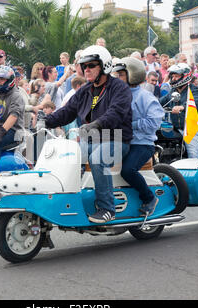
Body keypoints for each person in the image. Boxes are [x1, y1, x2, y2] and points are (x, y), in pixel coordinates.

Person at [43, 45, 133, 224]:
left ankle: (107, 208)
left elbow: (115, 113)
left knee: (98, 158)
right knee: (68, 156)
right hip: (91, 138)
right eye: (84, 66)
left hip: (116, 138)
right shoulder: (85, 90)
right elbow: (67, 111)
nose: (87, 69)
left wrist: (96, 124)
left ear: (104, 66)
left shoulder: (119, 88)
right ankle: (71, 200)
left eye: (91, 65)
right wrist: (45, 121)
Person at [113, 57, 164, 216]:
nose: (117, 78)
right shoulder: (118, 95)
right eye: (117, 74)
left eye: (121, 74)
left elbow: (154, 122)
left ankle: (149, 198)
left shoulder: (145, 97)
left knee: (127, 170)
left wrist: (130, 125)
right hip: (122, 142)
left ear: (133, 75)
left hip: (142, 144)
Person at [159, 63, 198, 159]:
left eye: (176, 76)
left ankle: (195, 169)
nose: (174, 78)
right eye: (172, 76)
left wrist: (182, 107)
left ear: (185, 76)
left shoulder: (194, 90)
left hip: (191, 129)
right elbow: (162, 101)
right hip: (177, 128)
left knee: (193, 156)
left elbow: (196, 102)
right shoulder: (173, 91)